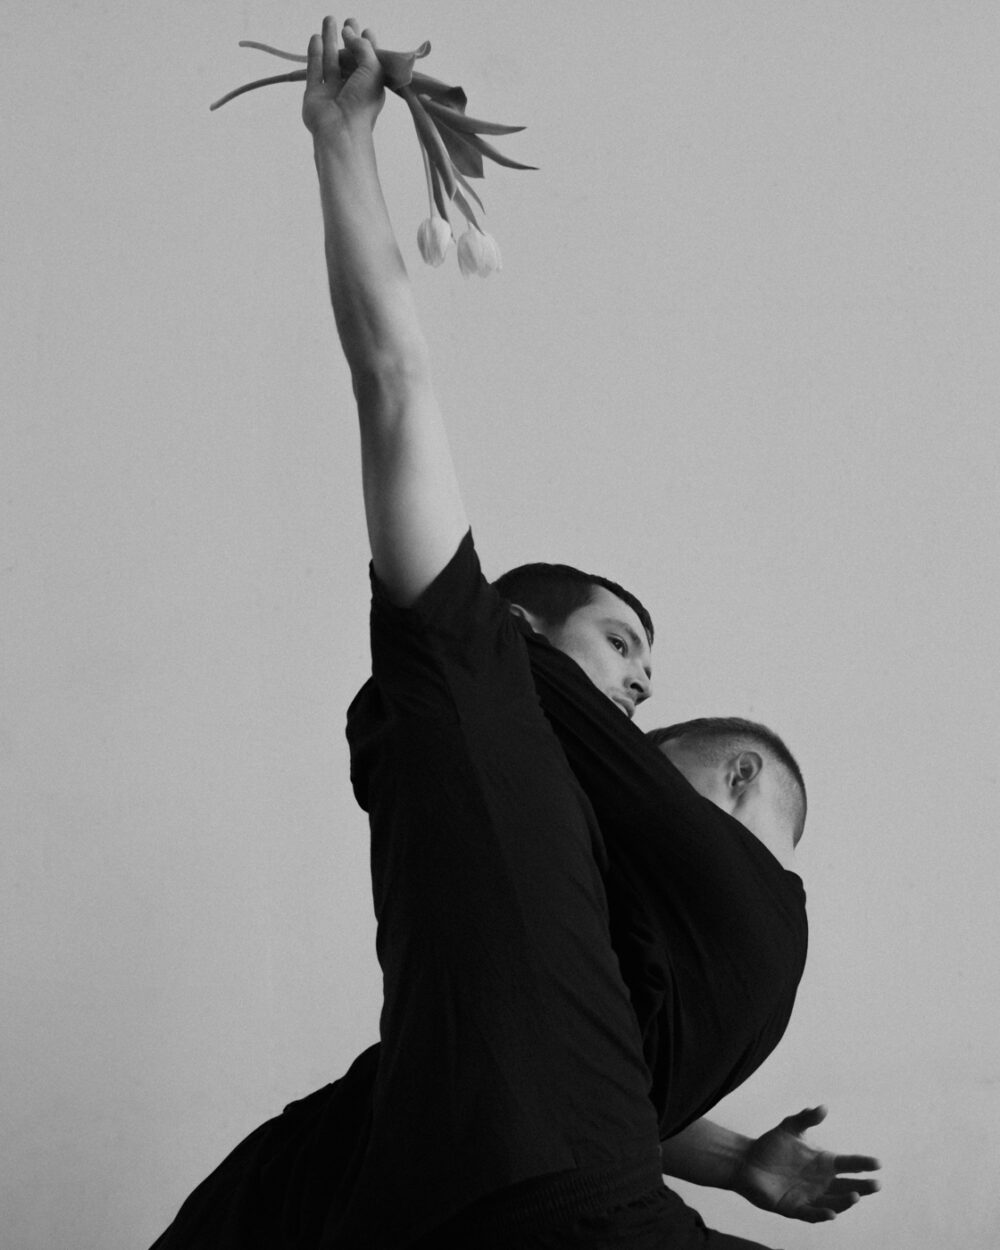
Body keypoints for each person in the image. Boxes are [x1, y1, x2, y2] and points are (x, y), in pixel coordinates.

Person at [149, 18, 879, 1248]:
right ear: (522, 624)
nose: (640, 685)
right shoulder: (475, 664)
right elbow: (394, 380)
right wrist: (342, 142)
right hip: (335, 1201)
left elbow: (561, 1052)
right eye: (619, 643)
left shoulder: (576, 870)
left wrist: (728, 1155)